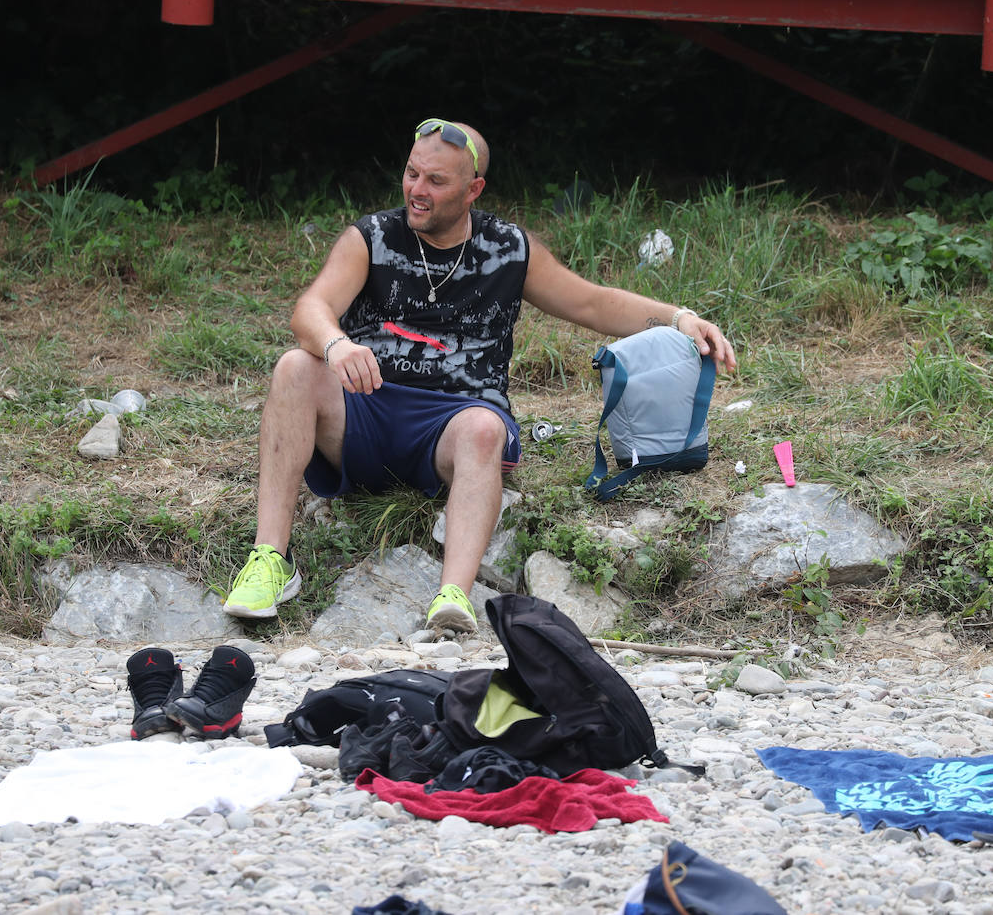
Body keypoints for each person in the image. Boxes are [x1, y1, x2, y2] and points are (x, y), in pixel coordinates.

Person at [222, 118, 737, 631]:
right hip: (367, 405)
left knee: (485, 428)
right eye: (411, 174)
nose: (416, 191)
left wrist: (678, 318)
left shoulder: (510, 248)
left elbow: (591, 301)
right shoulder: (372, 237)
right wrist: (335, 345)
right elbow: (310, 308)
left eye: (435, 182)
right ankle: (269, 561)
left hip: (455, 423)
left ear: (474, 190)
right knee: (294, 366)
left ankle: (453, 597)